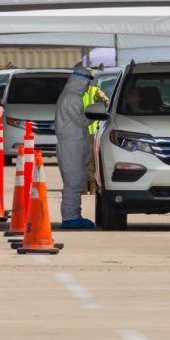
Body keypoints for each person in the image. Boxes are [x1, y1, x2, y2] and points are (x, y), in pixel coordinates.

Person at [55, 62, 96, 229]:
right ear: (80, 81)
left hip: (73, 145)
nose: (87, 87)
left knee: (76, 181)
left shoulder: (71, 96)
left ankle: (74, 215)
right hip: (71, 146)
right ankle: (70, 218)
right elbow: (82, 120)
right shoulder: (71, 98)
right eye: (86, 83)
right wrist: (95, 116)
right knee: (73, 183)